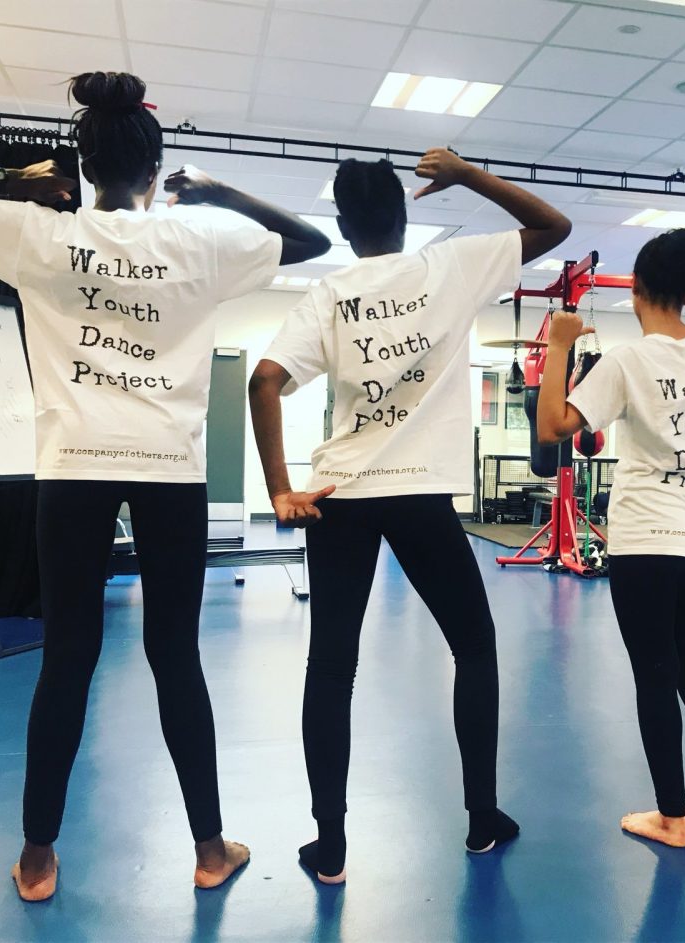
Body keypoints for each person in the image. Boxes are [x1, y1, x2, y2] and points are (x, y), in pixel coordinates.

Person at [0, 70, 330, 901]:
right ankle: (210, 850)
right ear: (156, 161)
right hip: (171, 471)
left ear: (83, 166)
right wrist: (219, 191)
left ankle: (35, 858)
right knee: (176, 659)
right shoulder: (198, 236)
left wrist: (1, 180)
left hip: (75, 466)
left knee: (66, 660)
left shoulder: (39, 234)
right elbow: (308, 243)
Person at [248, 147, 571, 883]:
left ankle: (329, 847)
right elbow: (554, 224)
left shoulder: (329, 294)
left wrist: (279, 488)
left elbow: (266, 381)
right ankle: (481, 819)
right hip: (421, 495)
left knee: (331, 669)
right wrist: (467, 176)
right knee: (475, 648)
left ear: (343, 223)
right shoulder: (449, 267)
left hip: (340, 497)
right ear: (403, 213)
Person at [537, 229, 685, 848]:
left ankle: (671, 817)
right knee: (684, 645)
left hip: (645, 536)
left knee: (653, 668)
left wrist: (559, 345)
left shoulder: (628, 361)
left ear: (637, 289)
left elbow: (554, 426)